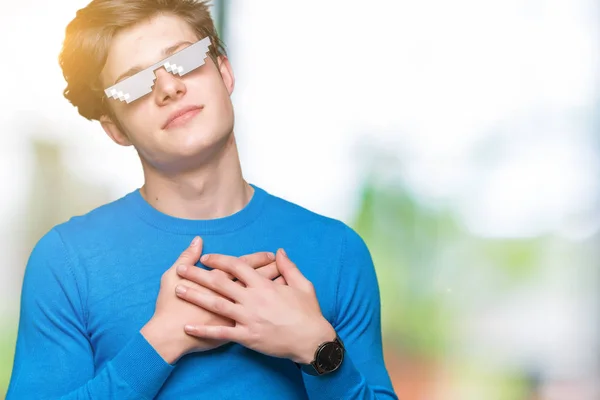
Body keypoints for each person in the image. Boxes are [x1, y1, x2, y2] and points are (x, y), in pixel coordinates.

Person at [6, 0, 398, 398]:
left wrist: (316, 348)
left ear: (224, 71)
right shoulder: (66, 261)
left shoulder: (338, 251)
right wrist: (161, 341)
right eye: (134, 84)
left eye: (182, 60)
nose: (168, 87)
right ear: (115, 129)